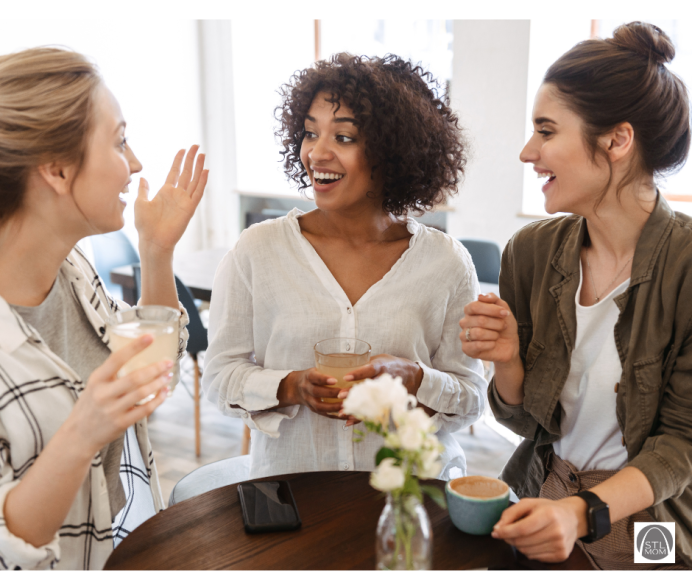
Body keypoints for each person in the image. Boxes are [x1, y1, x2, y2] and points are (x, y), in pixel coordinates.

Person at [459, 22, 691, 569]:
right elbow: (524, 423)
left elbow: (682, 444)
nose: (526, 152)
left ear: (616, 140)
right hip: (545, 493)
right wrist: (508, 360)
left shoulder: (686, 268)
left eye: (545, 131)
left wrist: (583, 513)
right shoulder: (531, 252)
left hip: (649, 522)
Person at [203, 53, 487, 480]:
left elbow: (471, 399)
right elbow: (219, 377)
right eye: (310, 133)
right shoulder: (259, 250)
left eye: (344, 138)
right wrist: (290, 386)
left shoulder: (445, 263)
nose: (317, 153)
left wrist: (415, 379)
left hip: (411, 501)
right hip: (296, 498)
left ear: (392, 150)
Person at [0, 47, 208, 570]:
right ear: (55, 168)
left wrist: (156, 251)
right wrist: (83, 429)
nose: (135, 163)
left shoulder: (73, 271)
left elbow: (147, 369)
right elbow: (9, 547)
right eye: (119, 141)